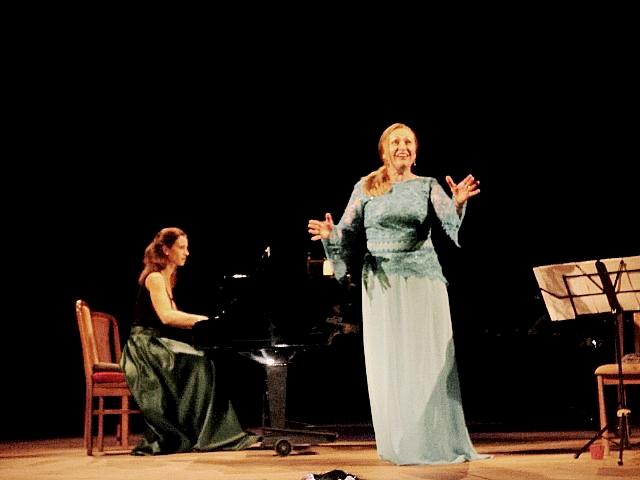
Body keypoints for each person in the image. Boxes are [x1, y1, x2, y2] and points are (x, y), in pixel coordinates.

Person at [307, 123, 489, 465]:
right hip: (381, 283)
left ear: (415, 153)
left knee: (425, 359)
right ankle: (400, 439)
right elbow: (345, 231)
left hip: (423, 279)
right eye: (395, 142)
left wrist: (458, 203)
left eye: (408, 142)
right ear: (384, 151)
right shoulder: (365, 186)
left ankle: (431, 439)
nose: (402, 146)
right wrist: (331, 233)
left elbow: (448, 217)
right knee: (389, 359)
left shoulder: (426, 185)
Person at [120, 227, 259, 455]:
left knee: (201, 359)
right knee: (200, 362)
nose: (187, 253)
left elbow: (175, 318)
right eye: (182, 248)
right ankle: (205, 433)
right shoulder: (155, 278)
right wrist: (205, 320)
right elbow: (167, 317)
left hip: (154, 343)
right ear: (166, 250)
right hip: (144, 347)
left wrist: (207, 323)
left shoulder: (168, 278)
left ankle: (203, 431)